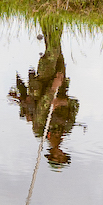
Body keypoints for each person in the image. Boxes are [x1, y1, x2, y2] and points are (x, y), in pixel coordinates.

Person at [8, 20, 81, 167]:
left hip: (43, 83)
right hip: (60, 83)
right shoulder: (65, 129)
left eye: (57, 157)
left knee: (52, 52)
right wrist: (61, 101)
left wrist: (53, 87)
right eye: (62, 156)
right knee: (57, 49)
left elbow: (42, 107)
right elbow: (75, 104)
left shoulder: (40, 130)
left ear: (51, 154)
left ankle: (48, 17)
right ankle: (53, 17)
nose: (60, 153)